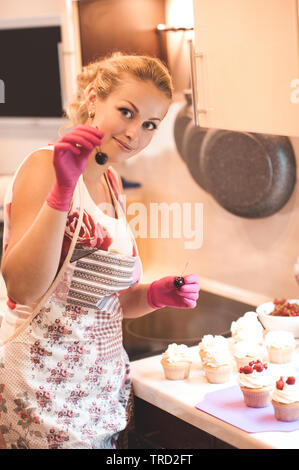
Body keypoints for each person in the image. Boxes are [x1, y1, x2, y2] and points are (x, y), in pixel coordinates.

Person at [0, 52, 200, 449]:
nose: (134, 133)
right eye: (126, 112)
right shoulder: (44, 166)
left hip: (97, 391)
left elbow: (106, 305)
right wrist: (61, 191)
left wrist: (154, 296)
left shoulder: (112, 182)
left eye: (149, 125)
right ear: (93, 99)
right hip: (40, 392)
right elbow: (22, 287)